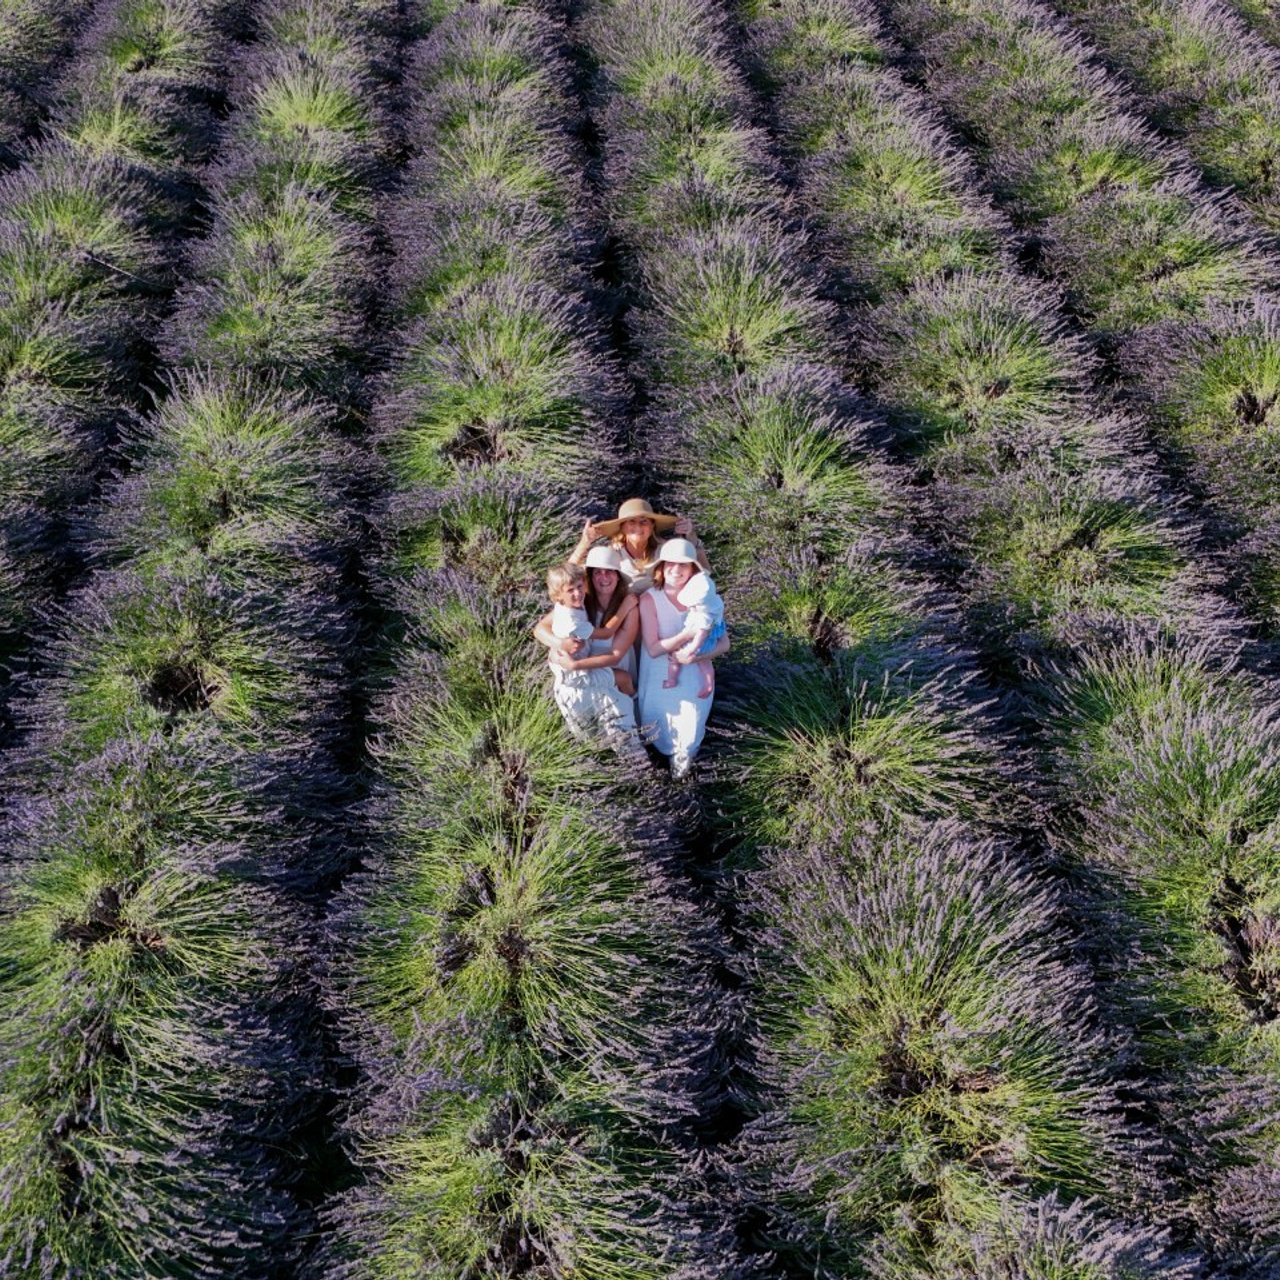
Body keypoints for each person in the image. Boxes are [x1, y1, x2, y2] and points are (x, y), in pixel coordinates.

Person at [637, 539, 730, 779]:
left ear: (693, 570)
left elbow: (724, 643)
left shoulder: (705, 597)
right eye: (670, 564)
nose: (676, 570)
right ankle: (656, 771)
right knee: (657, 724)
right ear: (661, 567)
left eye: (684, 566)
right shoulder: (649, 599)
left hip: (693, 672)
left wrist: (695, 656)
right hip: (659, 672)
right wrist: (688, 635)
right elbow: (654, 649)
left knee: (689, 730)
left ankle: (681, 776)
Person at [541, 562, 645, 765]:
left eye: (579, 587)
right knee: (622, 681)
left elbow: (567, 573)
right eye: (570, 591)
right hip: (577, 676)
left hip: (581, 670)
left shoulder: (570, 605)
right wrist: (562, 650)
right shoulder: (571, 619)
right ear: (558, 595)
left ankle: (635, 715)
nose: (577, 593)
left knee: (622, 685)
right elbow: (606, 632)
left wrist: (585, 541)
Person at [535, 545, 639, 696]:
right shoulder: (578, 603)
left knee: (624, 685)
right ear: (589, 577)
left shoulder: (627, 605)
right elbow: (540, 628)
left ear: (618, 576)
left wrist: (576, 664)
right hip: (580, 672)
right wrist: (561, 644)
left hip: (611, 667)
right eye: (598, 572)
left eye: (609, 571)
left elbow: (615, 656)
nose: (604, 577)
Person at [570, 497, 710, 594]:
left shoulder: (666, 551)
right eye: (631, 521)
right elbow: (568, 576)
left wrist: (692, 536)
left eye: (644, 521)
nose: (638, 526)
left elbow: (704, 575)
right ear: (622, 527)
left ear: (652, 526)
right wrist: (584, 543)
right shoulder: (613, 553)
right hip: (623, 620)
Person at [661, 566, 725, 699]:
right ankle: (708, 684)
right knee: (705, 664)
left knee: (674, 658)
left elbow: (700, 636)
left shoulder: (703, 617)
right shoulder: (715, 604)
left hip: (700, 644)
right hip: (711, 642)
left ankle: (671, 680)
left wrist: (689, 650)